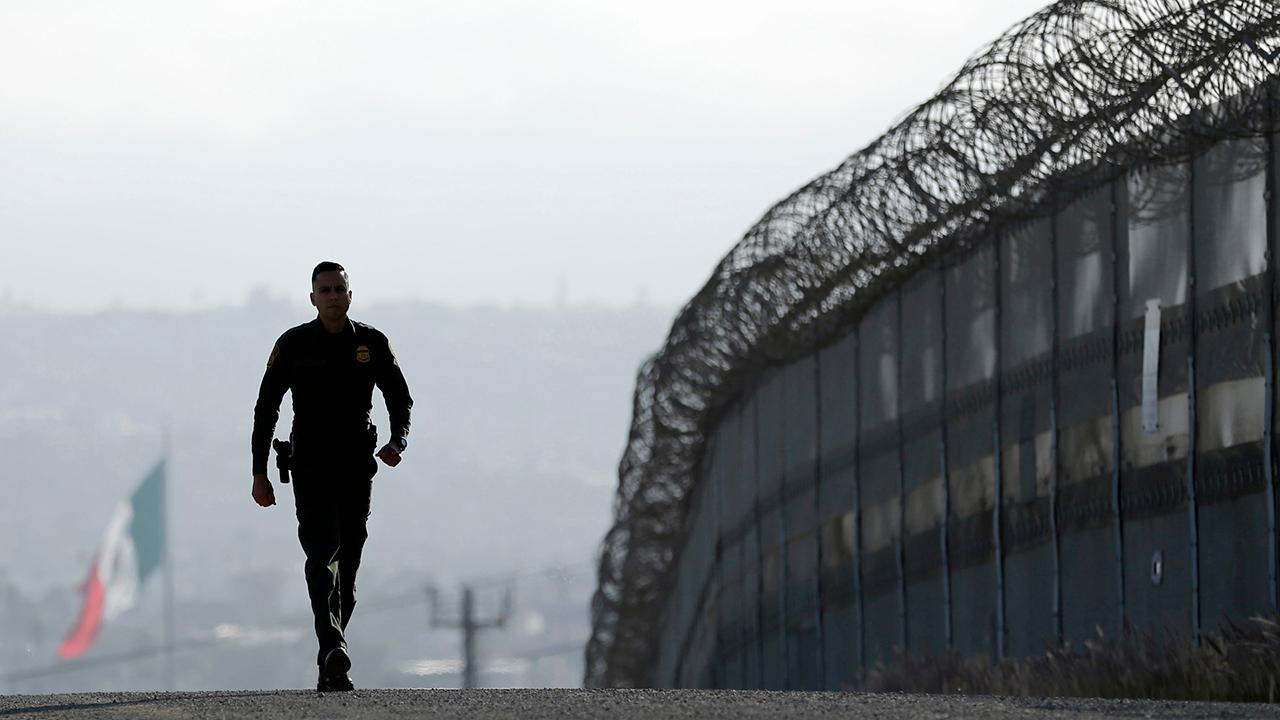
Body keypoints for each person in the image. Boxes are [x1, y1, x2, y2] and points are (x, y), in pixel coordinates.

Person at [250, 261, 413, 692]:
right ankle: (333, 647)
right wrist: (259, 473)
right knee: (323, 554)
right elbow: (266, 410)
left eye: (339, 289)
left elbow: (400, 398)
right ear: (312, 298)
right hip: (310, 464)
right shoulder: (294, 345)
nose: (333, 296)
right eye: (324, 290)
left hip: (357, 465)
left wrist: (398, 442)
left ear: (350, 294)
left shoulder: (372, 343)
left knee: (350, 566)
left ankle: (330, 658)